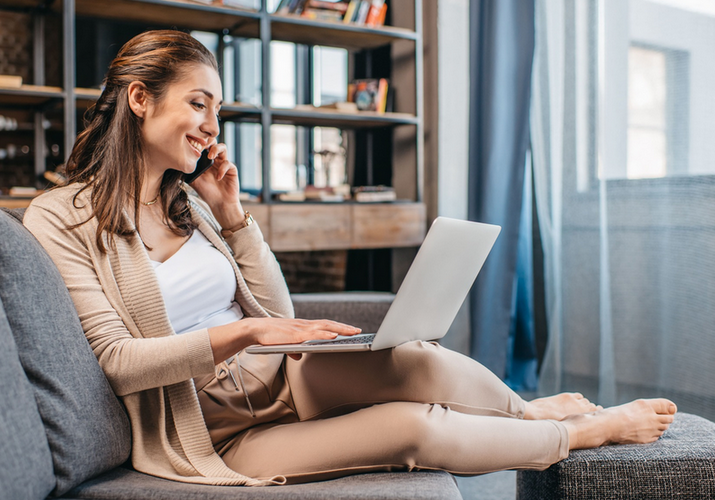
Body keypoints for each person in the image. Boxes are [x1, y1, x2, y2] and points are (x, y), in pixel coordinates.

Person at [23, 30, 677, 487]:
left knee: (414, 355)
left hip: (279, 375)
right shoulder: (62, 216)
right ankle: (579, 435)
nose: (211, 127)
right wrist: (244, 332)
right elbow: (115, 361)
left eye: (217, 110)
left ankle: (527, 413)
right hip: (212, 426)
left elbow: (276, 313)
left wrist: (234, 217)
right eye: (198, 103)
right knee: (414, 430)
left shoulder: (186, 205)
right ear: (140, 99)